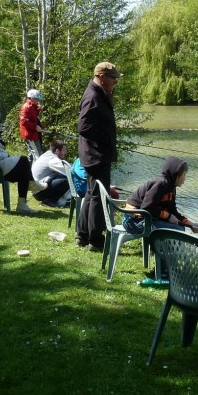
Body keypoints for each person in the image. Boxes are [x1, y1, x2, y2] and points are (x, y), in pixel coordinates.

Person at [123, 156, 198, 278]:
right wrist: (167, 216)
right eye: (183, 175)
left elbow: (173, 211)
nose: (185, 179)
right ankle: (163, 271)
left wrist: (190, 224)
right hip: (133, 220)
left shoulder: (171, 188)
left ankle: (167, 268)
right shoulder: (160, 184)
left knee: (180, 230)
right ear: (175, 174)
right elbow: (146, 208)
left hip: (147, 220)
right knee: (169, 233)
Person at [76, 61, 122, 252]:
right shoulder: (93, 96)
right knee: (98, 196)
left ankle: (83, 235)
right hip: (96, 155)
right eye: (113, 79)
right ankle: (95, 240)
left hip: (94, 154)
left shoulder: (99, 94)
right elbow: (84, 127)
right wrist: (105, 141)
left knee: (91, 193)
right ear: (102, 77)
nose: (115, 83)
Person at [31, 140, 71, 207]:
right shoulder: (52, 159)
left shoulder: (46, 155)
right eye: (64, 150)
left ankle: (53, 200)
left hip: (36, 190)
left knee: (61, 175)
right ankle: (50, 201)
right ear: (57, 151)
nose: (65, 152)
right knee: (67, 179)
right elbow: (68, 170)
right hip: (40, 191)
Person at [19, 89, 45, 161]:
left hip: (32, 134)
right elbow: (24, 121)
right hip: (30, 135)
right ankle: (35, 172)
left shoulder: (32, 106)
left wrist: (39, 110)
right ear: (32, 98)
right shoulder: (27, 107)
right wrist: (36, 127)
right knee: (38, 155)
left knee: (31, 155)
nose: (38, 101)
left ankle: (27, 171)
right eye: (37, 99)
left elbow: (32, 117)